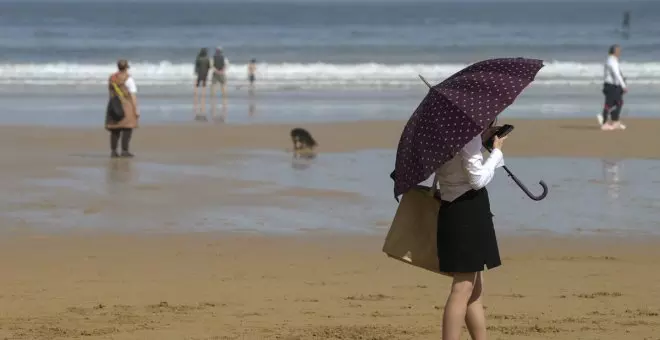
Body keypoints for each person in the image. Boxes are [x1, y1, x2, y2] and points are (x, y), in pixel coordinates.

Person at [433, 120, 506, 340]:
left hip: (452, 208)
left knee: (474, 289)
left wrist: (483, 143)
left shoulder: (443, 132)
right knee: (463, 288)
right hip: (467, 212)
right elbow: (477, 179)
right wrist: (496, 154)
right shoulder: (468, 137)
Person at [106, 59, 139, 158]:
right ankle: (124, 151)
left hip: (114, 104)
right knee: (127, 128)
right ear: (126, 68)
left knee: (115, 130)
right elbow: (133, 95)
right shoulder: (129, 79)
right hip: (126, 105)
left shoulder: (112, 78)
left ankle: (113, 151)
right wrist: (136, 109)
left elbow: (110, 92)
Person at [599, 44, 627, 131]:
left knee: (618, 103)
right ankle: (604, 123)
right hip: (610, 86)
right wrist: (623, 86)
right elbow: (616, 74)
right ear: (614, 51)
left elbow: (618, 74)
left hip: (614, 86)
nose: (620, 52)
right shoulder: (611, 61)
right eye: (618, 50)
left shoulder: (614, 60)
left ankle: (615, 122)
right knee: (609, 104)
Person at [210, 46, 228, 118]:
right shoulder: (224, 58)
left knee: (214, 86)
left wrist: (216, 71)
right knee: (223, 85)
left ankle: (213, 99)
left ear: (216, 51)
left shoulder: (213, 58)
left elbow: (211, 66)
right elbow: (226, 65)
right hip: (222, 73)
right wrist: (222, 71)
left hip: (215, 73)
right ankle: (224, 100)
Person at [193, 48, 211, 120]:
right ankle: (203, 96)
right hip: (205, 73)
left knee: (197, 84)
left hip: (199, 73)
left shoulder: (198, 58)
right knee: (204, 85)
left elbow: (196, 66)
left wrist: (196, 72)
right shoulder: (207, 59)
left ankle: (196, 95)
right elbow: (209, 66)